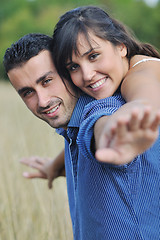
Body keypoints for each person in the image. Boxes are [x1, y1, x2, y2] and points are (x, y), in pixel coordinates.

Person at [3, 33, 160, 240]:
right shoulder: (72, 124)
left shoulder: (105, 111)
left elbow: (100, 127)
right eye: (27, 92)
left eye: (47, 81)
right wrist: (55, 166)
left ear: (69, 72)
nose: (42, 101)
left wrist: (110, 138)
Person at [52, 5, 160, 163]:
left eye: (93, 56)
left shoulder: (138, 74)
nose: (87, 75)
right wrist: (54, 166)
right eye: (73, 67)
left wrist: (132, 114)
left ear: (121, 46)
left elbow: (145, 98)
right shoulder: (120, 74)